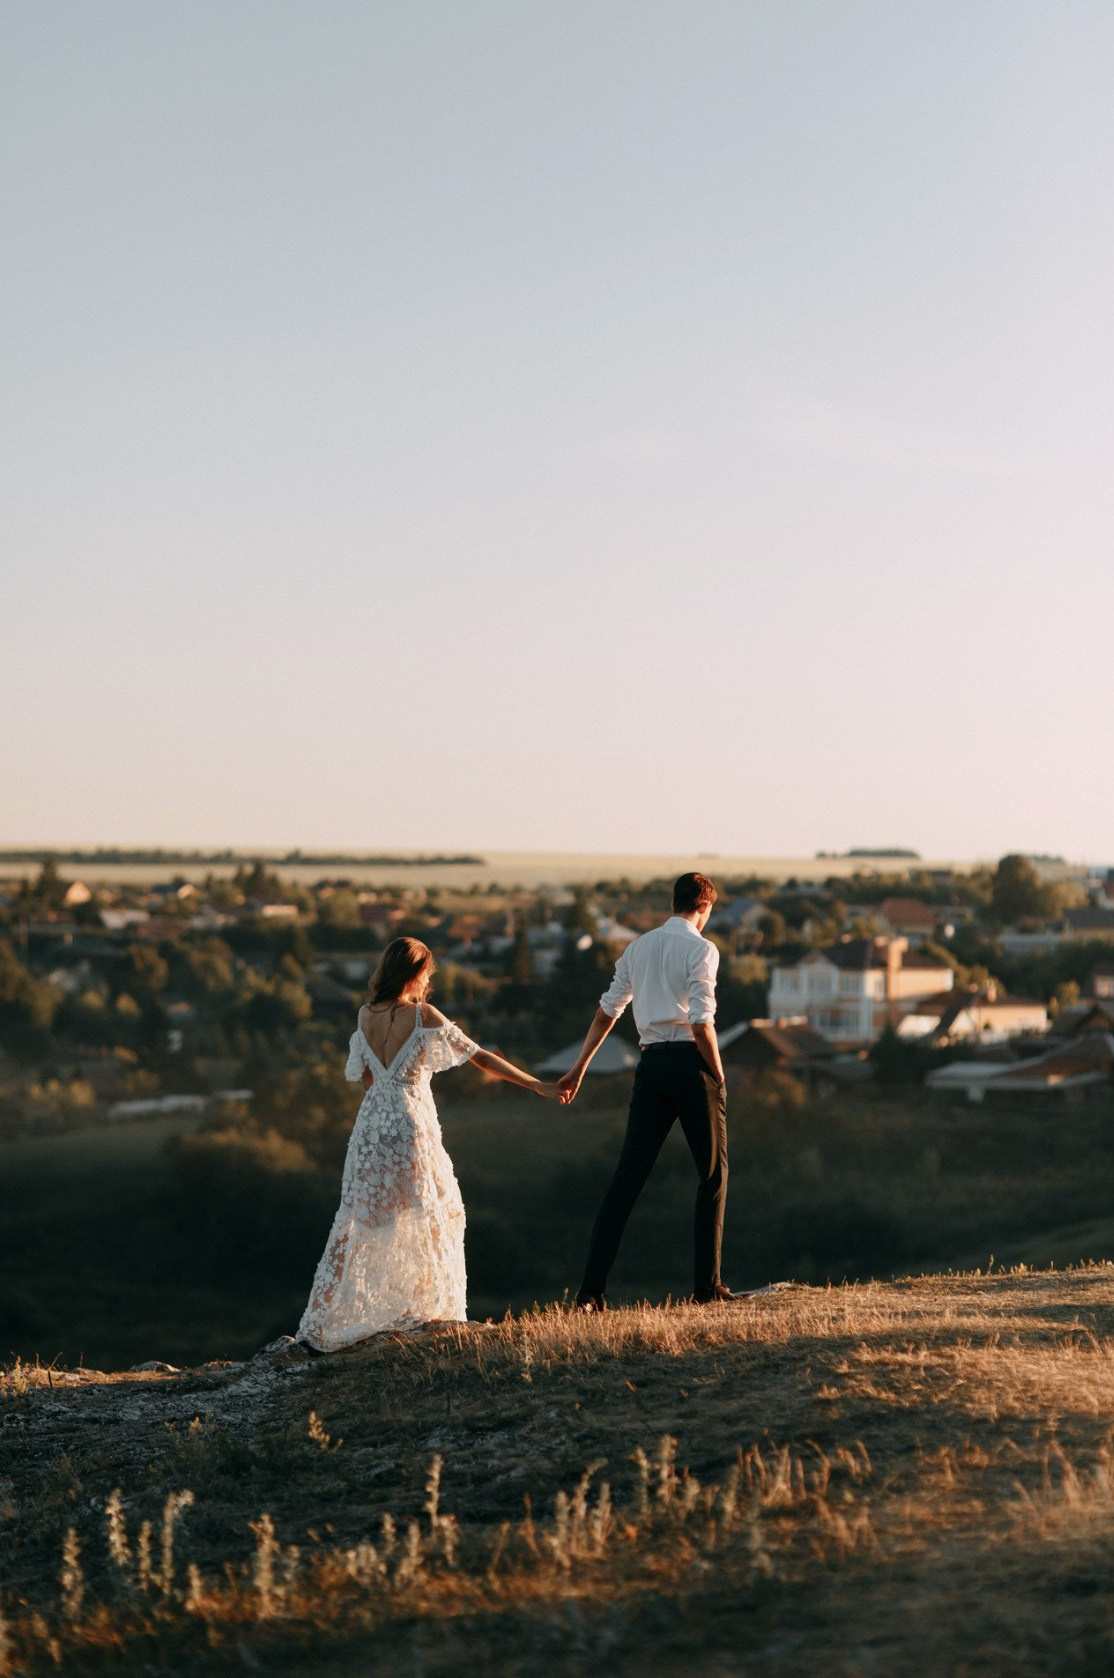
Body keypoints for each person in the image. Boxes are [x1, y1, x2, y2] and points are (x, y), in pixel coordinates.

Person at [297, 936, 565, 1352]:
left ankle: (322, 1323)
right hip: (409, 1121)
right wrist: (535, 1085)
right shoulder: (423, 1015)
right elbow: (479, 1056)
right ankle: (426, 1312)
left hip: (370, 1125)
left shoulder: (365, 1014)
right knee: (428, 1209)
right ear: (418, 973)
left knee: (363, 1217)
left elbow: (367, 1079)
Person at [558, 871, 744, 1309]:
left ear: (673, 901)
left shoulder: (637, 948)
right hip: (690, 1065)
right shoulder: (702, 949)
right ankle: (706, 1288)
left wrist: (579, 1067)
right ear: (704, 906)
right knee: (713, 1176)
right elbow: (701, 1021)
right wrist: (718, 1074)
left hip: (651, 1066)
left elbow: (608, 1012)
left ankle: (590, 1291)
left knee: (627, 1179)